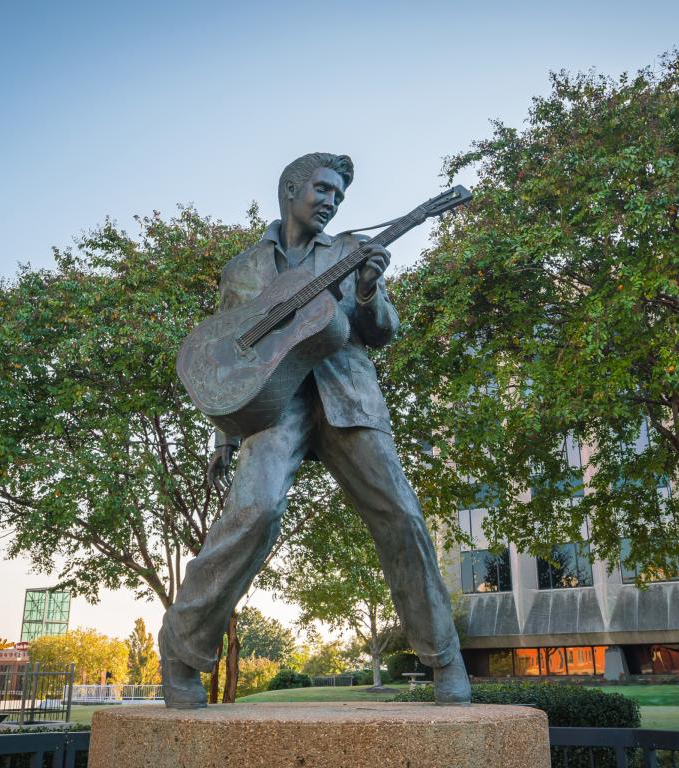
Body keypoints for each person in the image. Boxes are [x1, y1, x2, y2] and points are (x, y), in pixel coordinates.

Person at [160, 153, 470, 707]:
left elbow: (381, 332)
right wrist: (225, 437)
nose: (331, 201)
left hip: (347, 397)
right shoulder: (243, 270)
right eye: (323, 189)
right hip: (275, 408)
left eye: (339, 196)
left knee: (400, 514)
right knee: (252, 513)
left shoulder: (349, 252)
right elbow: (230, 356)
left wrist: (370, 290)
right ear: (290, 188)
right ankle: (181, 653)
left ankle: (444, 657)